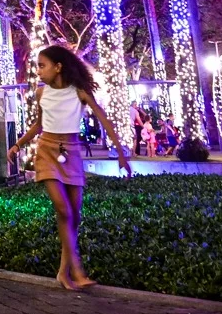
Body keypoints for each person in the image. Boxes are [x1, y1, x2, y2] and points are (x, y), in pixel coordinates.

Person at [7, 45, 132, 290]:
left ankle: (63, 273)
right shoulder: (42, 93)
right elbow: (39, 126)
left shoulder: (79, 92)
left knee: (74, 216)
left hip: (71, 152)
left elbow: (103, 118)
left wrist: (120, 153)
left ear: (58, 67)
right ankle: (77, 269)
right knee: (64, 211)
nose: (38, 71)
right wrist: (17, 145)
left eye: (42, 66)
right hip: (47, 151)